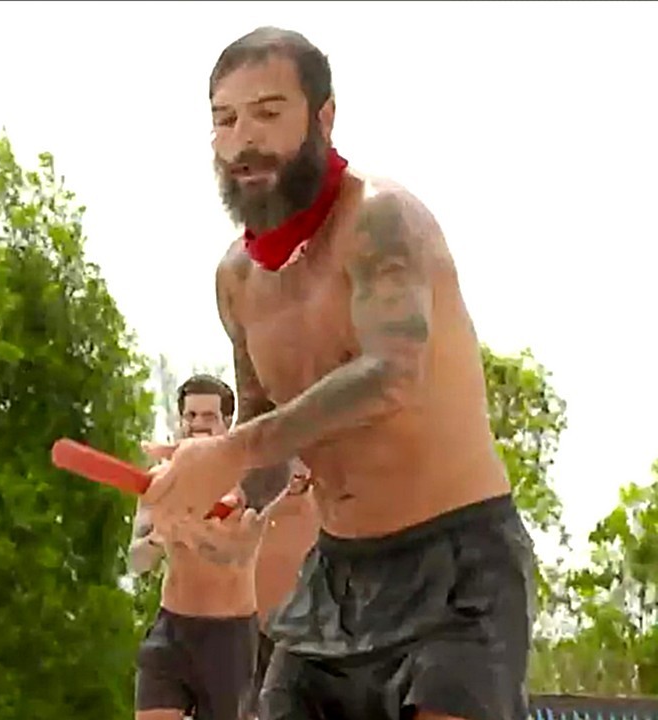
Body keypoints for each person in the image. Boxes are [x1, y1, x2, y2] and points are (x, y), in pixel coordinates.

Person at [142, 27, 537, 720]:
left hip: (459, 565)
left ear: (323, 118)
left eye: (268, 113)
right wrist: (223, 506)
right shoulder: (237, 279)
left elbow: (392, 374)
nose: (244, 140)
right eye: (224, 120)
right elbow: (265, 430)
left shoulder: (382, 221)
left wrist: (230, 451)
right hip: (334, 580)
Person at [129, 374, 262, 720]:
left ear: (227, 422)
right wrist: (158, 537)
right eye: (190, 415)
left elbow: (241, 553)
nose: (198, 424)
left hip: (229, 636)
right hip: (171, 628)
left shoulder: (248, 481)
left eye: (208, 416)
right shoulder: (162, 482)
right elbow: (136, 562)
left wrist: (201, 531)